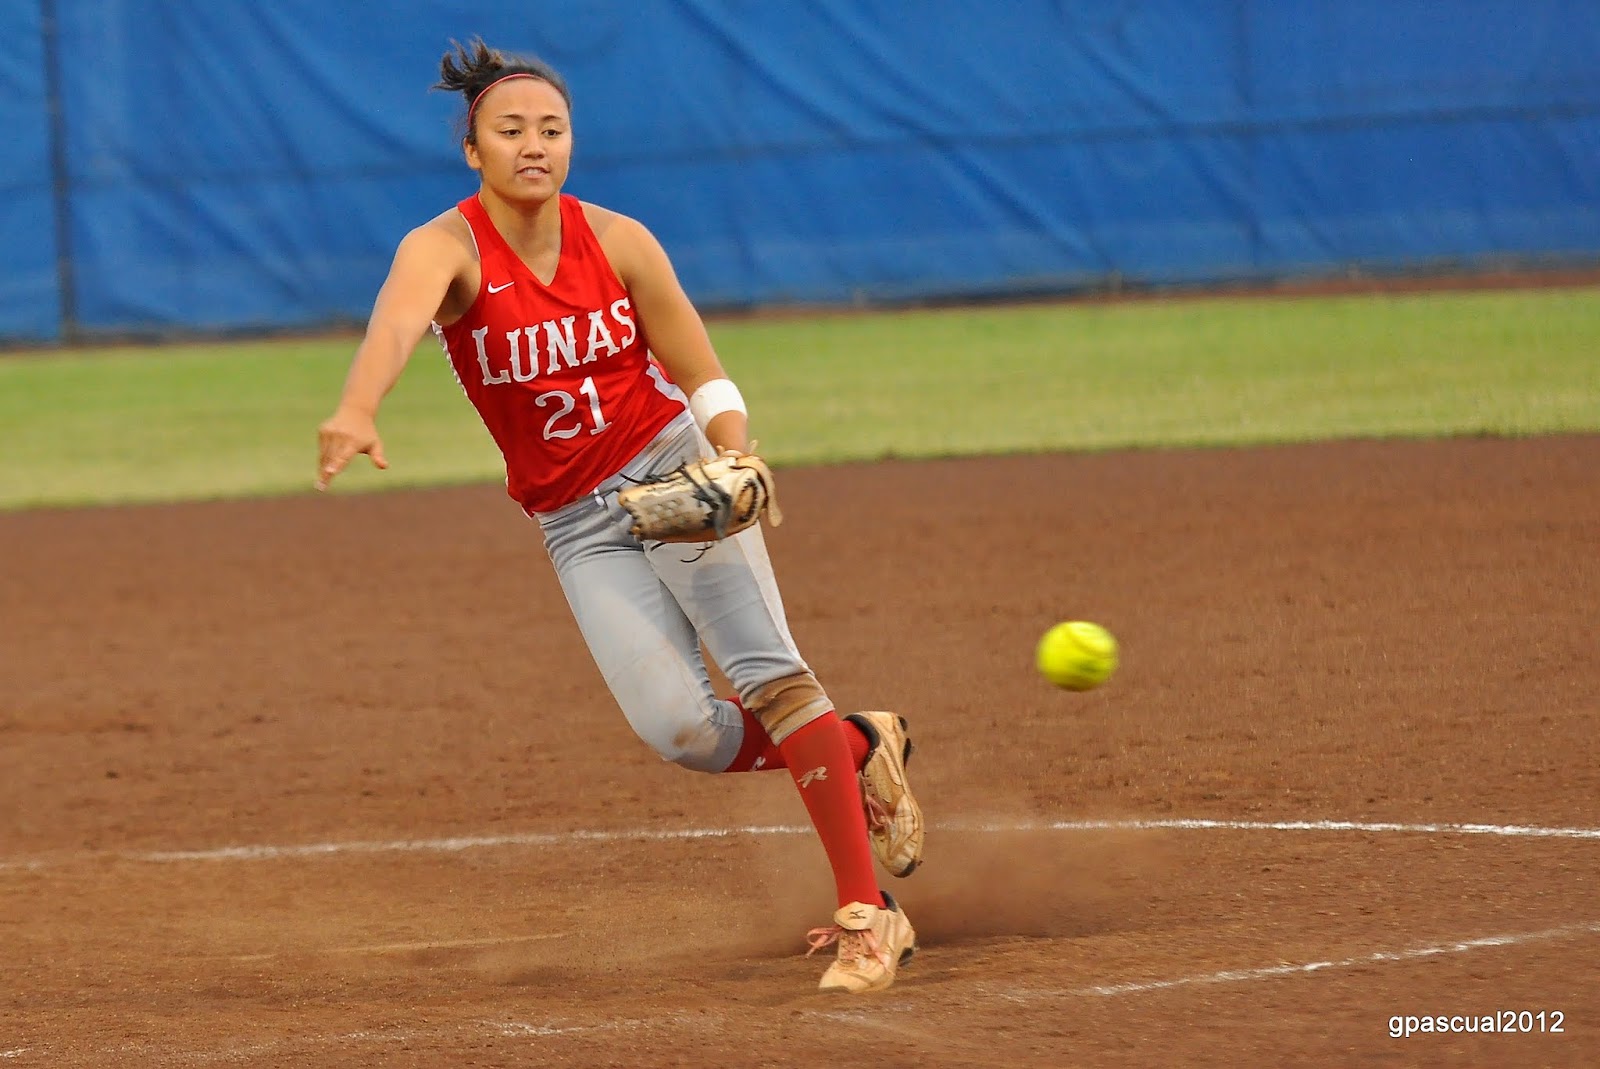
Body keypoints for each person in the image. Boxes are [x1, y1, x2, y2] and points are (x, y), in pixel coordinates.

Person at [314, 38, 925, 994]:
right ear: (472, 150)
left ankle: (870, 915)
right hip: (574, 518)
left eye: (551, 128)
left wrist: (729, 443)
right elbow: (398, 319)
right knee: (680, 729)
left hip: (672, 469)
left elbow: (699, 365)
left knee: (769, 673)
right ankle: (856, 745)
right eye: (509, 130)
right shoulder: (447, 248)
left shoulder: (622, 238)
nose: (534, 145)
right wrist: (359, 405)